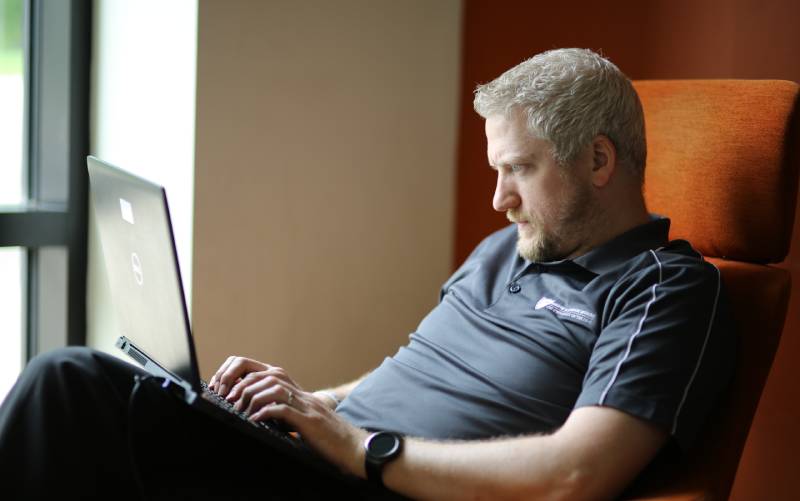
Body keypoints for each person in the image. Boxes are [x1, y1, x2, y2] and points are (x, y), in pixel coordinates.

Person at [0, 48, 733, 500]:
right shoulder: (511, 244)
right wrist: (300, 401)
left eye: (518, 170)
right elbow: (412, 368)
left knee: (69, 390)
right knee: (112, 415)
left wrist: (358, 448)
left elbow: (576, 474)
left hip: (370, 483)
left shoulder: (662, 289)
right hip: (320, 458)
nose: (498, 197)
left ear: (599, 162)